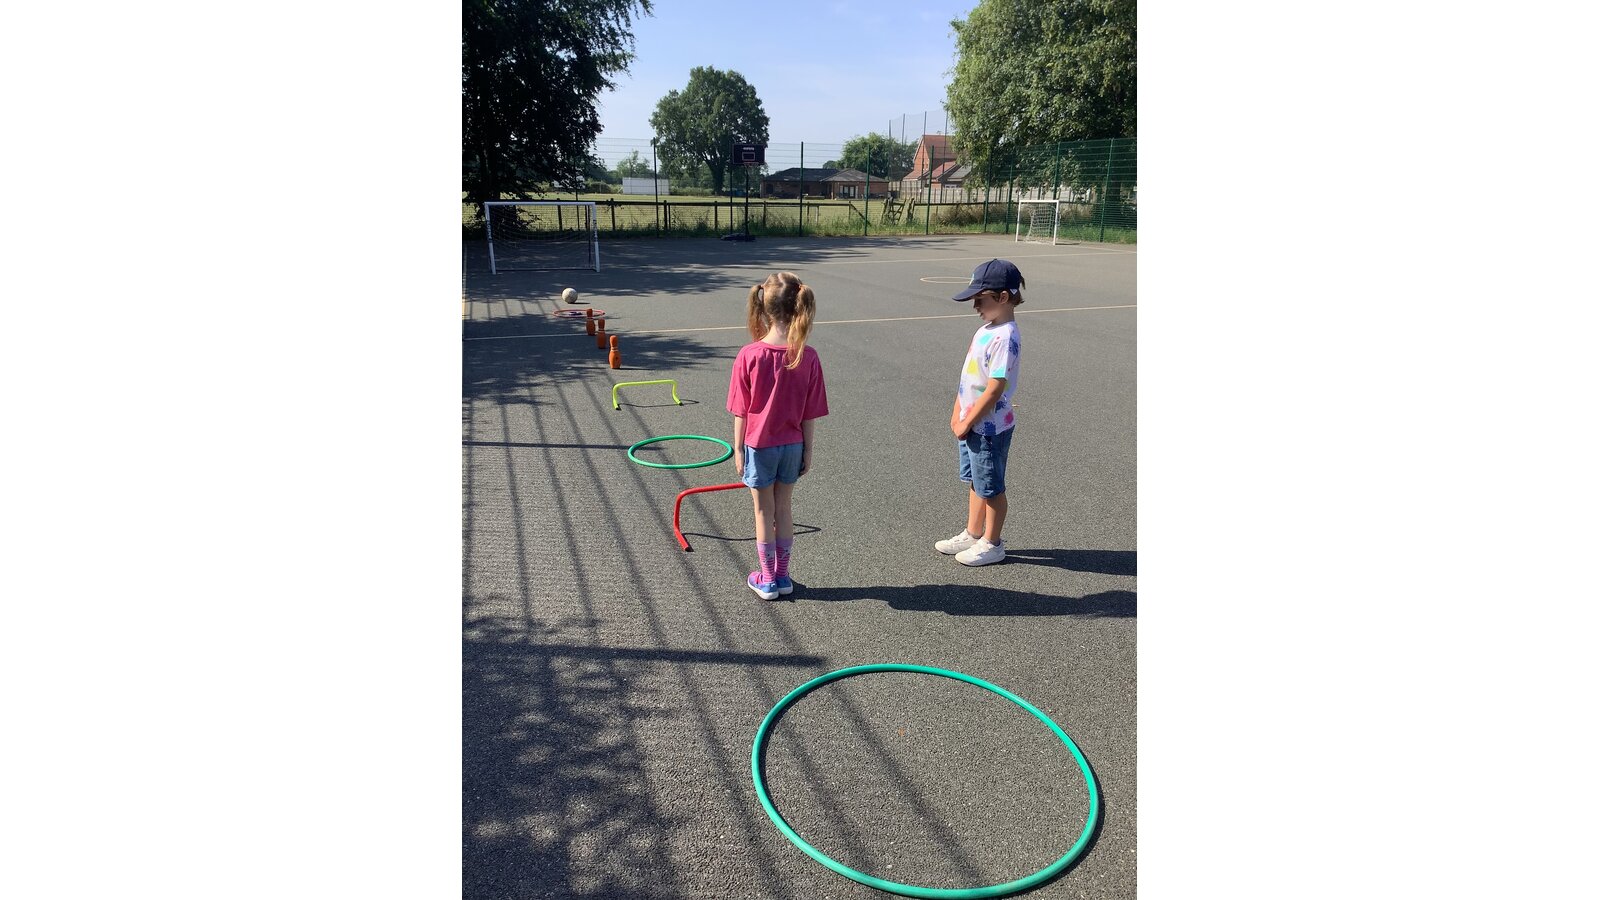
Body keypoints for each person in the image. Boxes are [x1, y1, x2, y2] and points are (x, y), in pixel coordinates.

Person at [727, 272, 829, 599]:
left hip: (760, 446)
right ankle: (783, 576)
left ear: (764, 308)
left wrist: (738, 450)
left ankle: (768, 579)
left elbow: (741, 411)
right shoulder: (807, 356)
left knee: (763, 512)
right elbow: (810, 412)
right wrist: (808, 450)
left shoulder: (749, 355)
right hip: (792, 445)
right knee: (784, 509)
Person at [936, 259, 1024, 566]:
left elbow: (994, 388)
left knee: (992, 487)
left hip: (989, 428)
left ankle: (992, 543)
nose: (975, 306)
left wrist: (968, 421)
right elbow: (969, 378)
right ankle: (973, 533)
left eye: (980, 299)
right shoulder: (986, 330)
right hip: (972, 423)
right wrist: (957, 413)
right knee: (977, 480)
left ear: (1003, 296)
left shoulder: (1006, 336)